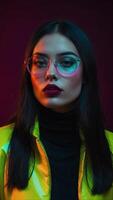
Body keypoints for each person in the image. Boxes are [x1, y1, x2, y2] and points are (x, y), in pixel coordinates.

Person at [0, 20, 113, 200]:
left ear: (86, 73)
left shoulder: (111, 149)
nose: (50, 73)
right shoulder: (2, 146)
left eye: (66, 62)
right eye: (40, 62)